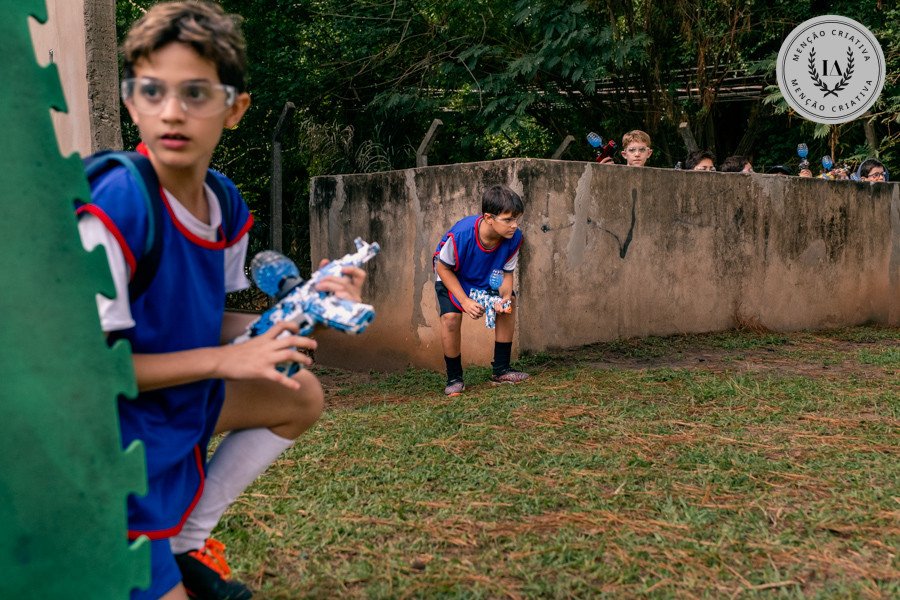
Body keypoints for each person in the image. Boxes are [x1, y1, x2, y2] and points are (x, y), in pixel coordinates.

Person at [76, 3, 366, 599]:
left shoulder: (222, 202)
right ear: (131, 102)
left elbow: (207, 320)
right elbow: (83, 375)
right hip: (102, 452)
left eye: (196, 93)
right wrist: (225, 360)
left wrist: (307, 304)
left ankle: (188, 544)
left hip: (167, 414)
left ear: (234, 108)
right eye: (152, 91)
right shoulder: (117, 206)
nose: (172, 112)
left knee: (300, 392)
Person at [433, 185, 529, 396]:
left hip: (485, 275)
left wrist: (504, 297)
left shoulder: (514, 238)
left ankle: (502, 369)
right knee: (450, 318)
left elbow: (506, 272)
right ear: (488, 218)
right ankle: (454, 377)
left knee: (509, 304)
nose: (514, 225)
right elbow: (442, 267)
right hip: (453, 276)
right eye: (508, 220)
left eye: (517, 219)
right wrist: (465, 301)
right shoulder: (461, 234)